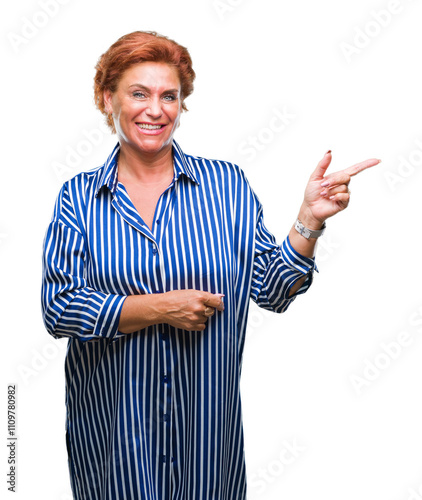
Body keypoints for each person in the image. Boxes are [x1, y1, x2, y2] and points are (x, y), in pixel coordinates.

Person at [41, 31, 380, 500]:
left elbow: (273, 289)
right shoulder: (78, 198)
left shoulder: (226, 187)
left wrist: (308, 220)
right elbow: (58, 308)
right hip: (113, 447)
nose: (155, 110)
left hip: (205, 450)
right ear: (107, 99)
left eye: (169, 96)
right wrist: (159, 308)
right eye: (138, 94)